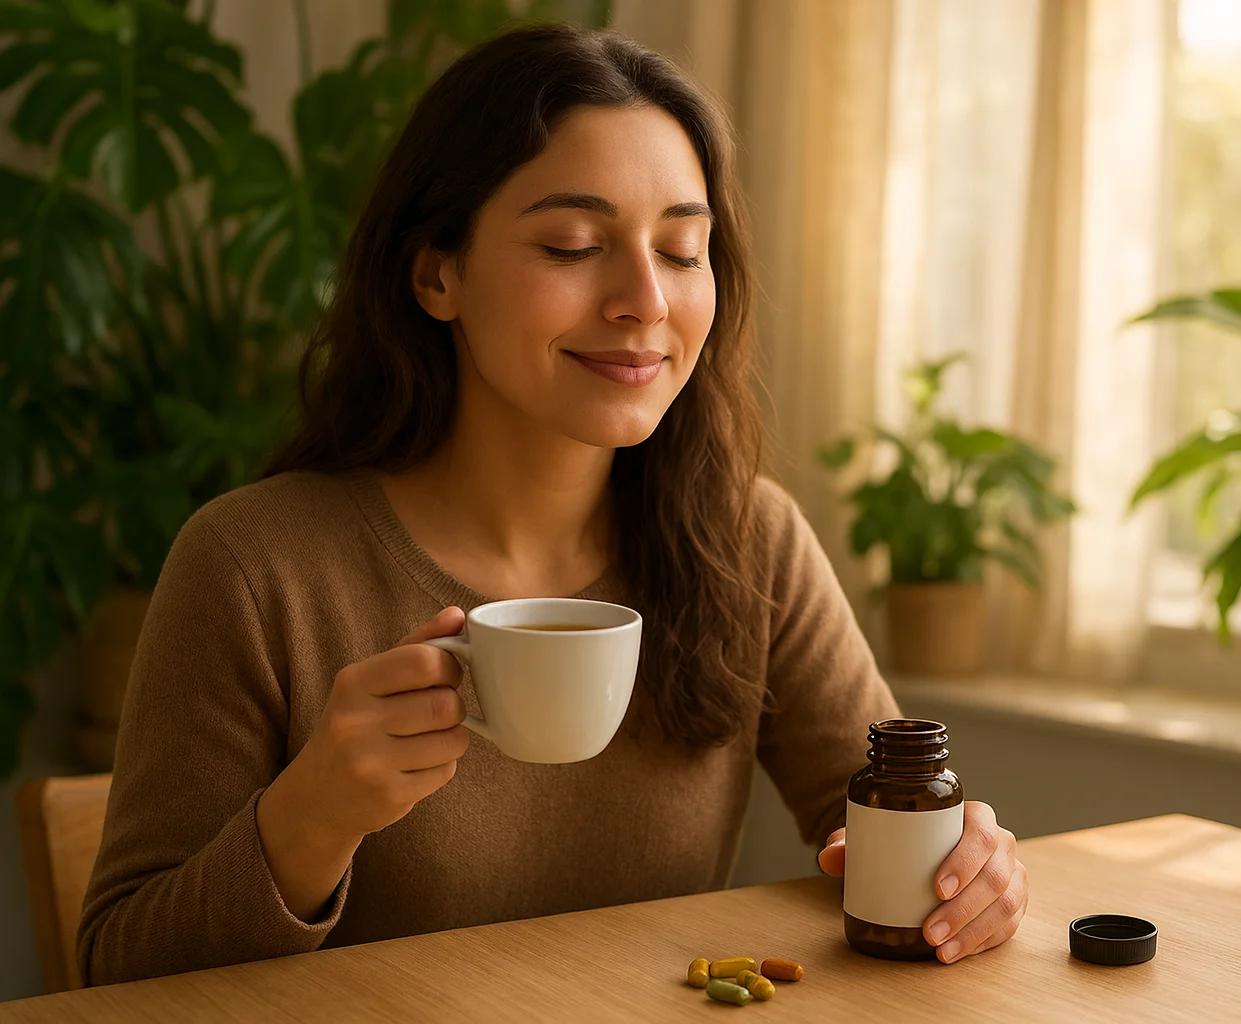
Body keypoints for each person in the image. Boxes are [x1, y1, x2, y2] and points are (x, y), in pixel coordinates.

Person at [77, 24, 1027, 985]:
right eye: (574, 245)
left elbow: (874, 811)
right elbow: (115, 971)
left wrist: (963, 870)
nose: (644, 299)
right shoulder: (254, 566)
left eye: (683, 249)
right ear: (436, 274)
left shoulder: (749, 539)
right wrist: (312, 816)